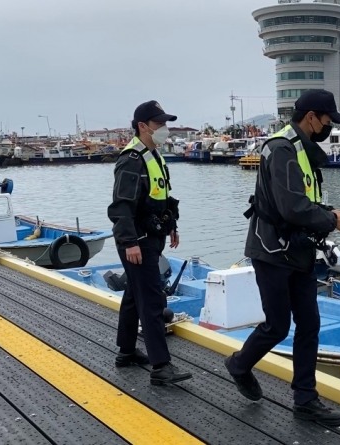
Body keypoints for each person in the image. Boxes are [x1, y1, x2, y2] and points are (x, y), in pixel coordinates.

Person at [224, 89, 340, 426]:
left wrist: (331, 214)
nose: (329, 126)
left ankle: (305, 400)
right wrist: (333, 220)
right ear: (311, 116)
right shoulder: (281, 148)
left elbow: (305, 202)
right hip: (271, 251)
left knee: (309, 324)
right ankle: (239, 364)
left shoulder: (302, 149)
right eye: (327, 119)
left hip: (298, 250)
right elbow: (292, 207)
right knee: (277, 325)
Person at [108, 100, 192, 386]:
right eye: (159, 124)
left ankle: (127, 352)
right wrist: (130, 242)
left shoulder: (153, 155)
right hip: (138, 241)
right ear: (143, 126)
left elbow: (160, 198)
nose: (164, 130)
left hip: (151, 236)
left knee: (134, 294)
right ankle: (161, 366)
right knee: (153, 301)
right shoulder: (131, 160)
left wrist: (172, 226)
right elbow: (121, 206)